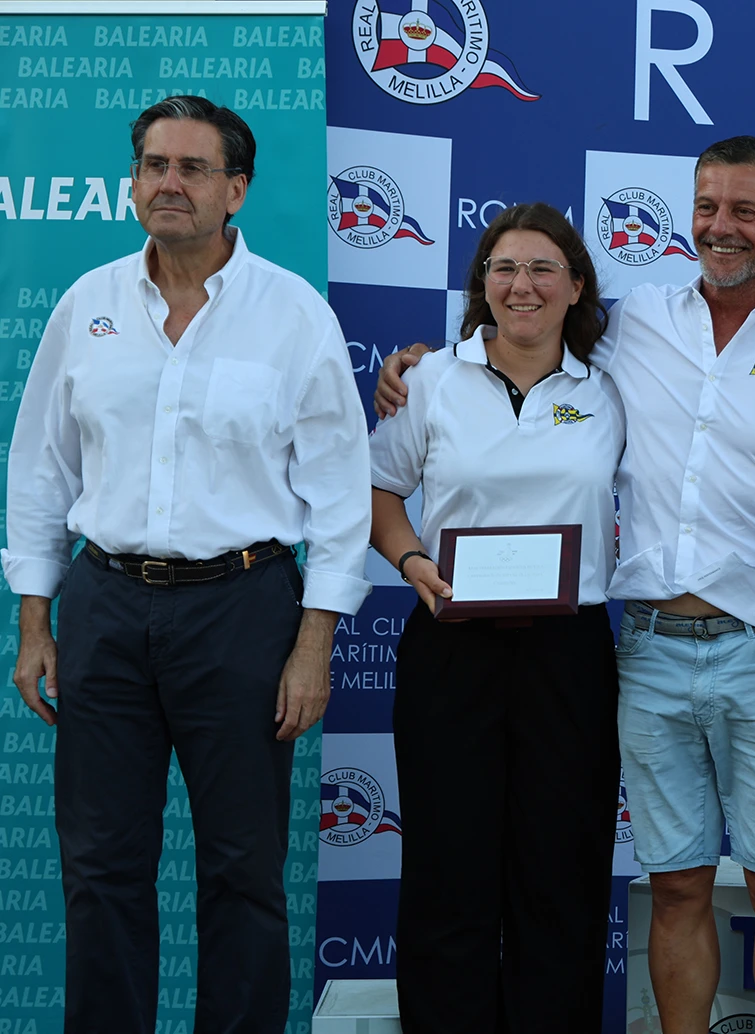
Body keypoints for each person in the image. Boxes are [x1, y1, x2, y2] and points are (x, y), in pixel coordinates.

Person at [376, 136, 755, 1034]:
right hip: (639, 650)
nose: (720, 227)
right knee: (667, 886)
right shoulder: (635, 323)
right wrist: (418, 366)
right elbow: (512, 337)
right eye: (707, 207)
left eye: (745, 211)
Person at [3, 96, 371, 1034]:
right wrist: (36, 621)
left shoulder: (293, 314)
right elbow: (41, 470)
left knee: (244, 869)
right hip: (105, 606)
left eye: (193, 168)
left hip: (244, 608)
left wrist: (313, 646)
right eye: (154, 165)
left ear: (235, 190)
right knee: (99, 867)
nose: (169, 182)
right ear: (133, 182)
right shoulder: (87, 306)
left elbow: (340, 494)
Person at [367, 202, 625, 1032]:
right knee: (448, 865)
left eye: (543, 268)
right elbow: (378, 491)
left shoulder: (609, 387)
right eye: (504, 268)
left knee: (562, 867)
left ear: (576, 285)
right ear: (481, 284)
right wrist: (412, 562)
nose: (523, 285)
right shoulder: (430, 380)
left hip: (568, 652)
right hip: (452, 643)